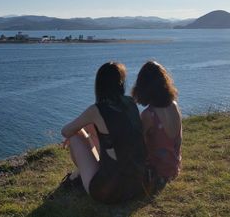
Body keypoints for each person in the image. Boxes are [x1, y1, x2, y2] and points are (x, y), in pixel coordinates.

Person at [61, 62, 146, 203]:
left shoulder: (96, 110)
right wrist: (88, 127)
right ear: (121, 83)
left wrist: (79, 130)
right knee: (91, 128)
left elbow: (65, 131)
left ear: (99, 84)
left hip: (108, 193)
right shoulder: (131, 102)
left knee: (75, 137)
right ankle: (82, 174)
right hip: (137, 184)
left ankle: (80, 176)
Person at [131, 61, 182, 191]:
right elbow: (178, 141)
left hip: (156, 173)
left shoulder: (149, 115)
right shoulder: (174, 106)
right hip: (173, 169)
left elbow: (138, 147)